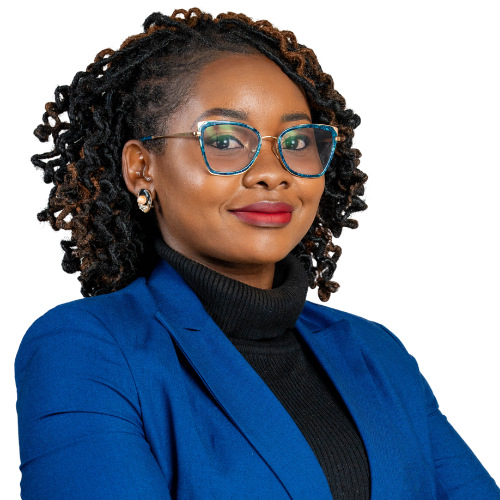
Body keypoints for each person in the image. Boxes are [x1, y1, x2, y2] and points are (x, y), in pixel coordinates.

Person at [14, 7, 500, 500]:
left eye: (297, 141)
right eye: (225, 140)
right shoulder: (86, 348)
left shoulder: (376, 352)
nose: (273, 172)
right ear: (143, 169)